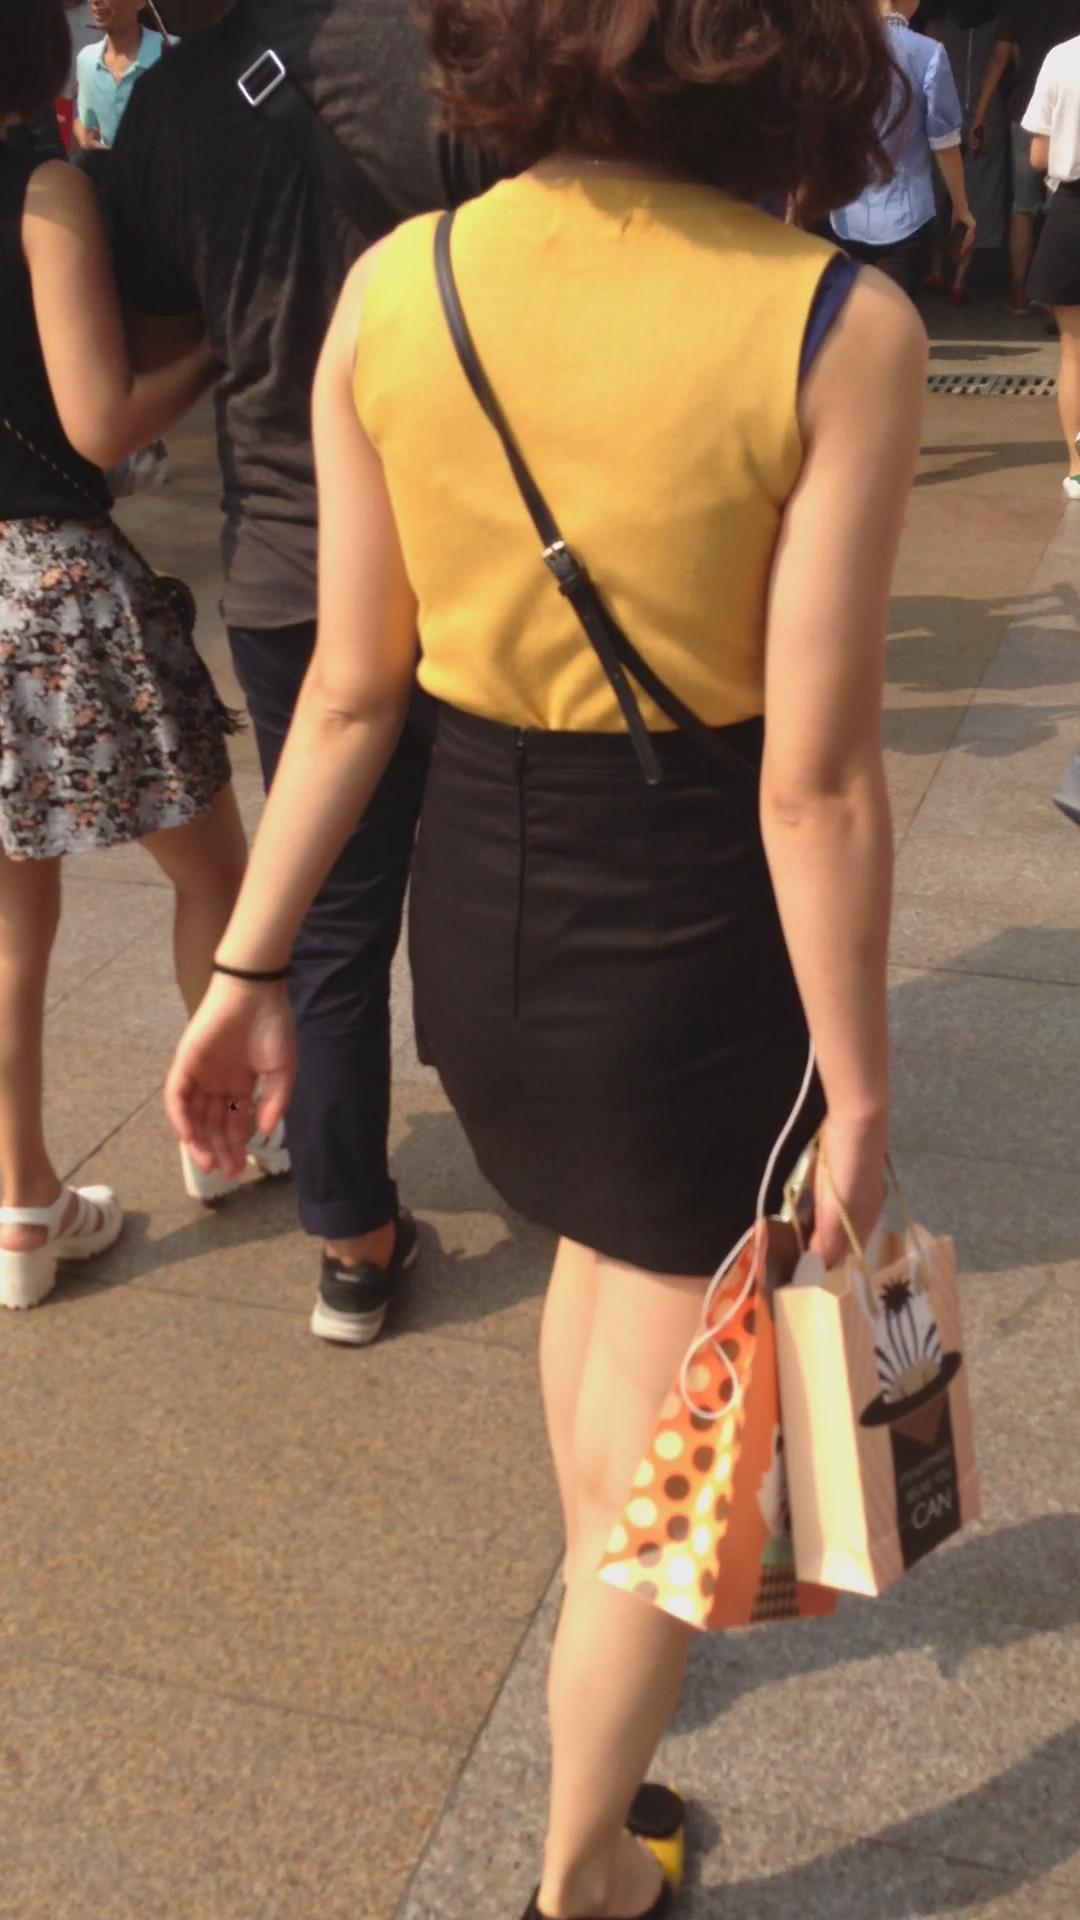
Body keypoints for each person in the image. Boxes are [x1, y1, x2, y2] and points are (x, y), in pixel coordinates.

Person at [164, 2, 927, 1914]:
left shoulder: (400, 286)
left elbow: (351, 695)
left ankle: (606, 1656)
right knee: (673, 1473)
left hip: (481, 906)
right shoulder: (837, 325)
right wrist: (859, 1087)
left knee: (600, 1262)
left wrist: (248, 971)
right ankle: (586, 1870)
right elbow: (817, 785)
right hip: (693, 940)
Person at [106, 2, 496, 1344]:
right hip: (479, 551)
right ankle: (568, 1160)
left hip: (291, 565)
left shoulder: (161, 117)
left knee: (330, 910)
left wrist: (250, 333)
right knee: (524, 867)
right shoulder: (443, 50)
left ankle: (349, 1239)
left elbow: (157, 341)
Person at [0, 0, 250, 1313]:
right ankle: (225, 1137)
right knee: (213, 868)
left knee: (8, 924)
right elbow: (100, 419)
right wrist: (217, 348)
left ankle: (21, 1211)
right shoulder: (44, 189)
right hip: (47, 584)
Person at [831, 1, 976, 295]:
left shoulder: (839, 50)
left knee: (845, 311)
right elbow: (945, 143)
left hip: (843, 212)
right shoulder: (929, 53)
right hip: (907, 218)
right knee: (894, 312)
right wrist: (961, 208)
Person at [969, 1, 1080, 313]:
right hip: (1069, 115)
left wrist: (979, 115)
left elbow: (999, 58)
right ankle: (1055, 297)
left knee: (1022, 206)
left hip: (1025, 114)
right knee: (1063, 203)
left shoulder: (1019, 6)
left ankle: (1019, 290)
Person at [1023, 31, 1080, 494]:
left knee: (1073, 350)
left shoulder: (1062, 58)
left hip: (1072, 211)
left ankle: (1078, 466)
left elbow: (1038, 156)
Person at [923, 2, 1009, 304]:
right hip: (986, 118)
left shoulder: (936, 22)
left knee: (936, 193)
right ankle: (960, 280)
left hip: (941, 113)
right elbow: (1000, 62)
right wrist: (980, 116)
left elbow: (928, 68)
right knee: (975, 198)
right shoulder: (1000, 21)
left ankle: (935, 269)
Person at [73, 0, 168, 155]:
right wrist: (84, 138)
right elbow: (85, 122)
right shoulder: (86, 59)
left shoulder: (170, 54)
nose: (95, 2)